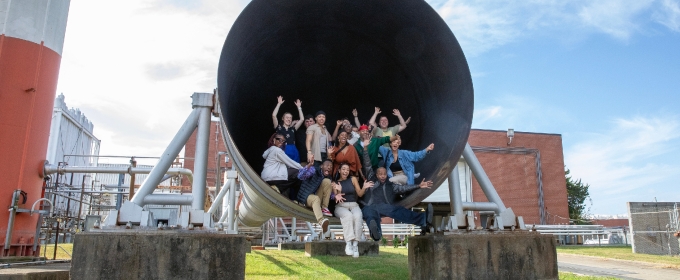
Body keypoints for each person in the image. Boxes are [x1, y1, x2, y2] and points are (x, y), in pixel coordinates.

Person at [358, 139, 434, 241]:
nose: (383, 176)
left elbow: (402, 188)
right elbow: (367, 163)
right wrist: (366, 148)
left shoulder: (390, 184)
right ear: (376, 174)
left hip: (382, 206)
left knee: (397, 210)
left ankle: (423, 219)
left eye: (384, 174)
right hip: (368, 204)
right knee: (370, 214)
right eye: (380, 174)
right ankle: (376, 232)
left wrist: (418, 186)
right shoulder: (371, 177)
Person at [333, 163, 373, 258]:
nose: (345, 171)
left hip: (354, 205)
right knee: (348, 216)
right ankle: (348, 244)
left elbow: (359, 194)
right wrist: (338, 190)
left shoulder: (353, 179)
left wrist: (364, 187)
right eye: (343, 169)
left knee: (358, 216)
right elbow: (338, 198)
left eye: (347, 169)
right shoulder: (335, 183)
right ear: (339, 170)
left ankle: (355, 245)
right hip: (341, 206)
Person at [297, 159, 334, 234]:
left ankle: (324, 208)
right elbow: (300, 176)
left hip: (317, 201)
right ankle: (321, 221)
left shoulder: (328, 178)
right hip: (305, 198)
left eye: (331, 166)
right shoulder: (314, 170)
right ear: (321, 166)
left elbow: (329, 194)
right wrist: (308, 166)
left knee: (327, 182)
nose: (329, 167)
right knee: (315, 198)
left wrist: (336, 196)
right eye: (327, 165)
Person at [272, 96, 305, 162]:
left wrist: (299, 107)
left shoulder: (293, 128)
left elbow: (302, 119)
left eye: (290, 118)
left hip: (293, 150)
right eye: (287, 117)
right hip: (282, 149)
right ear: (282, 119)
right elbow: (274, 115)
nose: (289, 119)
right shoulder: (278, 127)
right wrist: (279, 104)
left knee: (295, 169)